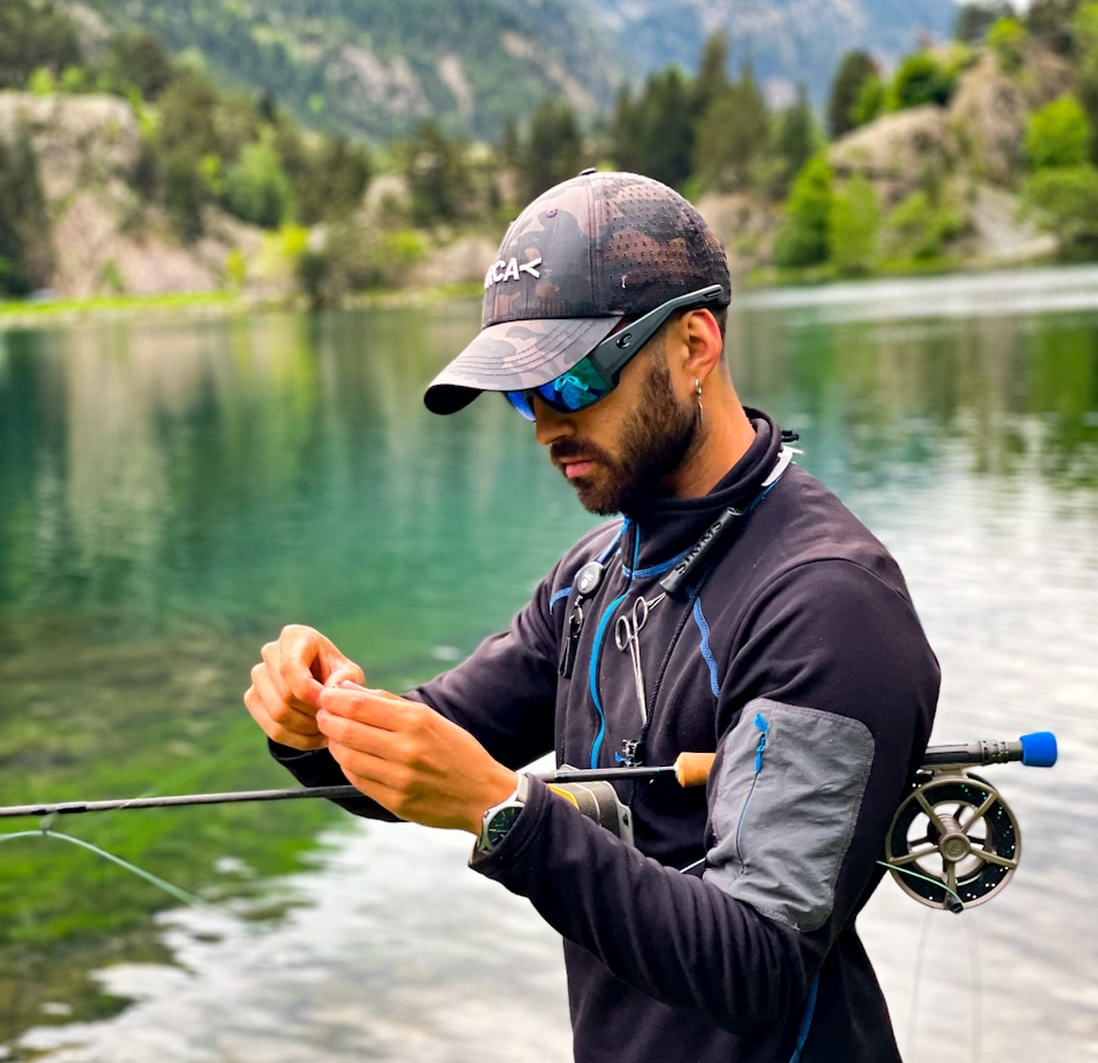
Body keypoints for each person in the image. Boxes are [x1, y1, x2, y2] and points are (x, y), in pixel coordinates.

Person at [244, 170, 940, 1062]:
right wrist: (319, 721)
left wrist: (505, 812)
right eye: (520, 395)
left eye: (571, 383)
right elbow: (433, 747)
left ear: (695, 344)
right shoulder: (593, 577)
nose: (543, 426)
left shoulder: (829, 599)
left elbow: (759, 960)